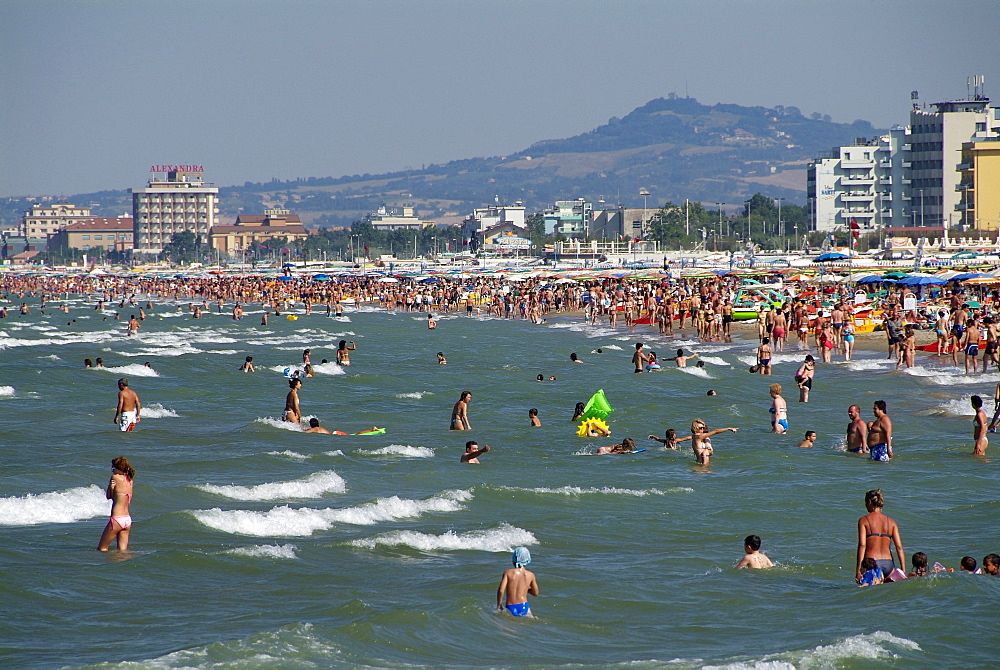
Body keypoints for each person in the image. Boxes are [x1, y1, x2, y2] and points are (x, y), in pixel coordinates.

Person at [856, 488, 905, 583]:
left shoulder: (864, 520)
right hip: (889, 565)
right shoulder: (891, 522)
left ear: (869, 502)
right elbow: (899, 547)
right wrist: (903, 570)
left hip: (872, 563)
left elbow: (862, 545)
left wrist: (858, 570)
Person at [97, 456, 135, 552]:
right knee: (122, 551)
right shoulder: (130, 480)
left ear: (118, 468)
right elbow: (121, 497)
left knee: (102, 548)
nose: (113, 471)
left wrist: (110, 487)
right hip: (127, 520)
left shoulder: (115, 477)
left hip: (117, 519)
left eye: (113, 468)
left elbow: (109, 496)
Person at [497, 547, 539, 617]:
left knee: (510, 626)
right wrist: (525, 588)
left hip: (510, 605)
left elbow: (501, 590)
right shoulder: (530, 575)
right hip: (524, 605)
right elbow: (535, 593)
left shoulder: (508, 573)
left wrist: (499, 604)